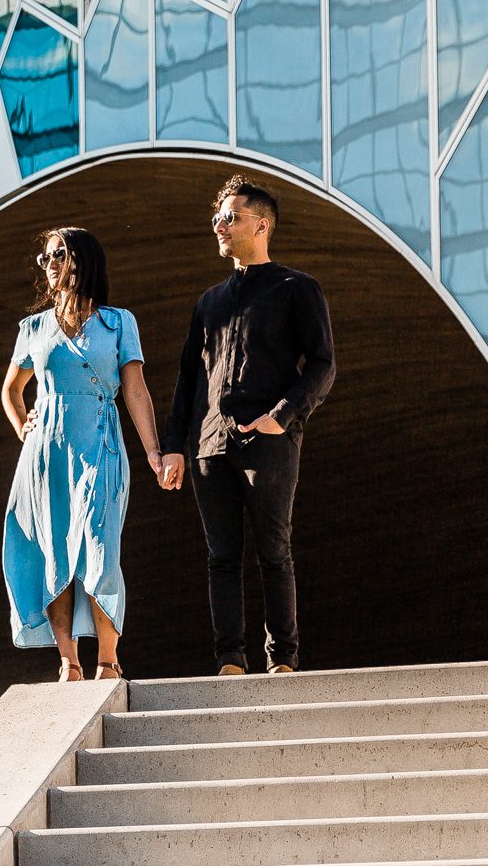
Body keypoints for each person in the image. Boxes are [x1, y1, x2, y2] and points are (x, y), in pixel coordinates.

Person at [158, 175, 336, 676]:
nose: (219, 226)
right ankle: (230, 659)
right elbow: (188, 378)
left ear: (261, 225)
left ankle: (282, 658)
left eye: (230, 218)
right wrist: (173, 445)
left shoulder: (297, 288)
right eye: (217, 218)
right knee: (221, 556)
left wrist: (282, 416)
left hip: (269, 442)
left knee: (274, 551)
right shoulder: (208, 302)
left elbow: (324, 365)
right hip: (209, 446)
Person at [0, 226, 173, 681]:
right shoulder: (33, 328)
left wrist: (154, 452)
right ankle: (69, 662)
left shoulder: (118, 322)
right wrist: (23, 427)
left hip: (100, 443)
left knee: (100, 546)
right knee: (54, 551)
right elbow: (11, 389)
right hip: (45, 454)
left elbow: (135, 389)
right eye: (46, 257)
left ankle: (108, 660)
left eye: (59, 254)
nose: (50, 264)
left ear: (82, 259)